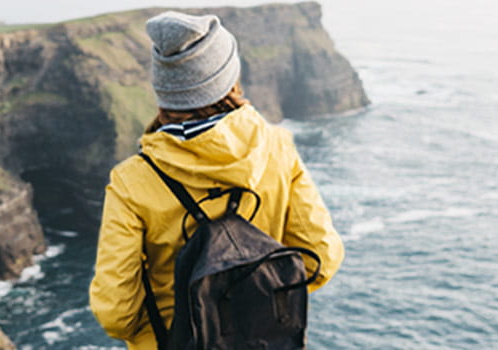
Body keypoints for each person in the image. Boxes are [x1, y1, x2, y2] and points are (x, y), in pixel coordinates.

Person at [88, 11, 345, 350]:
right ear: (230, 78)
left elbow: (116, 313)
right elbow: (320, 259)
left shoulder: (131, 183)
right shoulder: (277, 147)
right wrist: (252, 299)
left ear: (165, 91)